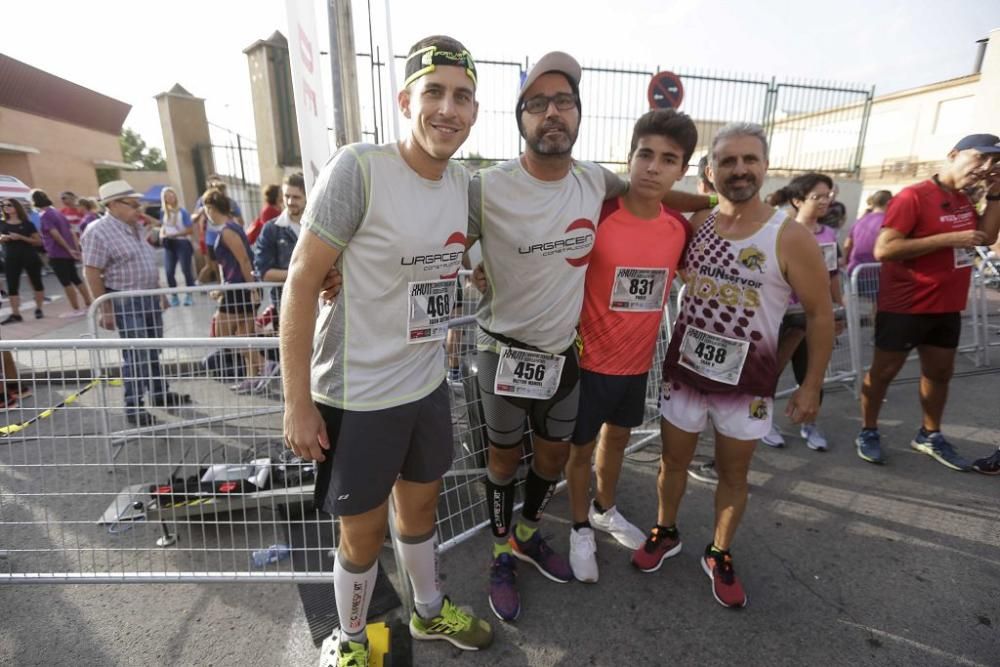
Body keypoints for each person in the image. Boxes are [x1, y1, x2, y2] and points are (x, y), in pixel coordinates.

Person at [281, 35, 493, 666]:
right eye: (434, 92)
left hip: (425, 384)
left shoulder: (465, 185)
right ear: (406, 99)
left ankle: (428, 614)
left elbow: (474, 251)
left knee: (423, 507)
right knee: (362, 534)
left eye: (462, 96)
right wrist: (296, 403)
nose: (447, 109)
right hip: (357, 393)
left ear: (475, 112)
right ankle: (346, 640)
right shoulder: (360, 167)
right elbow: (299, 280)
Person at [632, 123, 833, 608]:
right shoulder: (698, 222)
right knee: (672, 462)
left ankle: (718, 552)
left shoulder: (789, 236)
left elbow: (821, 313)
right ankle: (666, 530)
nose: (739, 170)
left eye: (749, 160)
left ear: (765, 168)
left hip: (747, 382)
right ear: (710, 171)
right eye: (727, 161)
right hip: (686, 372)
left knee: (733, 475)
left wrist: (811, 387)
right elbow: (659, 197)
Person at [467, 51, 630, 622]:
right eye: (538, 104)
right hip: (502, 352)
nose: (552, 113)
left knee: (554, 458)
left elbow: (648, 199)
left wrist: (715, 207)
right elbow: (433, 224)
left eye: (564, 101)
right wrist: (470, 256)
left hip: (563, 353)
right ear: (521, 120)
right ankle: (497, 554)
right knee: (504, 461)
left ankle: (527, 536)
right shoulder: (485, 185)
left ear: (580, 115)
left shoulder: (595, 179)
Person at [563, 109, 696, 584]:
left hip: (638, 363)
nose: (653, 168)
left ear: (682, 169)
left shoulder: (679, 227)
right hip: (585, 359)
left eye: (668, 159)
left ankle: (604, 508)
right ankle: (579, 527)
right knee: (579, 449)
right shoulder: (598, 213)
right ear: (630, 156)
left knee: (616, 438)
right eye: (645, 154)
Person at [856, 134, 1000, 469]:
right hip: (906, 304)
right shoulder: (914, 196)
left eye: (995, 163)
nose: (986, 168)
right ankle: (868, 429)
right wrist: (950, 239)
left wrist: (995, 193)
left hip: (947, 304)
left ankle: (929, 434)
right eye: (981, 158)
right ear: (953, 154)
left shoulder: (964, 198)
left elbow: (987, 237)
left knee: (939, 372)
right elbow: (884, 249)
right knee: (884, 372)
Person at [81, 180, 191, 428]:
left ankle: (160, 393)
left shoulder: (134, 227)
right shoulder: (97, 231)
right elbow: (91, 272)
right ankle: (134, 405)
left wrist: (160, 292)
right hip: (124, 299)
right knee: (136, 354)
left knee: (152, 349)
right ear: (112, 205)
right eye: (132, 204)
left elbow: (145, 261)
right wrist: (105, 308)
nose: (138, 208)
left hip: (148, 296)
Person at [762, 173, 844, 451]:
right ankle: (763, 421)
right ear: (797, 200)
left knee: (811, 372)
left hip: (813, 317)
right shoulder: (780, 232)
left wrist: (838, 306)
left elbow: (832, 274)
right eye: (817, 196)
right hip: (781, 318)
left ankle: (810, 423)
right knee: (769, 373)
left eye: (828, 196)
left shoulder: (829, 235)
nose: (825, 202)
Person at [204, 189, 262, 395]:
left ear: (210, 208)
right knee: (244, 334)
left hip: (239, 288)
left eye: (206, 209)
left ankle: (264, 365)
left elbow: (244, 260)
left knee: (224, 334)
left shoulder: (228, 231)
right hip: (237, 286)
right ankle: (252, 376)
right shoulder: (233, 227)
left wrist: (251, 287)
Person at [252, 172, 306, 389]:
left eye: (296, 197)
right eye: (287, 196)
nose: (291, 201)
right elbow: (263, 271)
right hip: (286, 304)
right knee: (294, 364)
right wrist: (304, 274)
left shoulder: (317, 224)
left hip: (322, 304)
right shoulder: (272, 229)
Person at [687, 155, 721, 486]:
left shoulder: (697, 218)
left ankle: (691, 455)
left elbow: (681, 266)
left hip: (703, 326)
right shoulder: (763, 218)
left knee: (701, 400)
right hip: (724, 328)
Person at [33, 189, 92, 315]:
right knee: (76, 279)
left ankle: (76, 309)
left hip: (57, 252)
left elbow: (55, 234)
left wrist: (69, 249)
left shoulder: (45, 215)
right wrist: (74, 249)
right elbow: (70, 231)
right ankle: (89, 303)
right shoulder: (57, 213)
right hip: (67, 251)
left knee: (66, 282)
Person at [0, 198, 46, 323]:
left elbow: (38, 242)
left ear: (16, 207)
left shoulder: (27, 224)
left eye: (9, 205)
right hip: (11, 258)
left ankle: (39, 308)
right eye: (3, 205)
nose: (5, 207)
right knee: (12, 286)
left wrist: (20, 237)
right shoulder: (2, 224)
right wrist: (2, 238)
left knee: (37, 283)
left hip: (29, 257)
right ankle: (16, 314)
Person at [159, 187, 196, 306]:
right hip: (169, 244)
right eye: (167, 196)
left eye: (171, 195)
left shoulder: (182, 212)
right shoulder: (163, 212)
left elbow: (190, 230)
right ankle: (174, 295)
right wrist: (162, 235)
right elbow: (163, 227)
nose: (170, 198)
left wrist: (175, 234)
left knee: (186, 270)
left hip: (182, 242)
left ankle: (189, 294)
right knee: (169, 271)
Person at [845, 190, 892, 275]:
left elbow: (847, 245)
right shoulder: (888, 222)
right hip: (875, 274)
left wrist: (847, 263)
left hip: (854, 270)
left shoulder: (860, 220)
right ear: (889, 203)